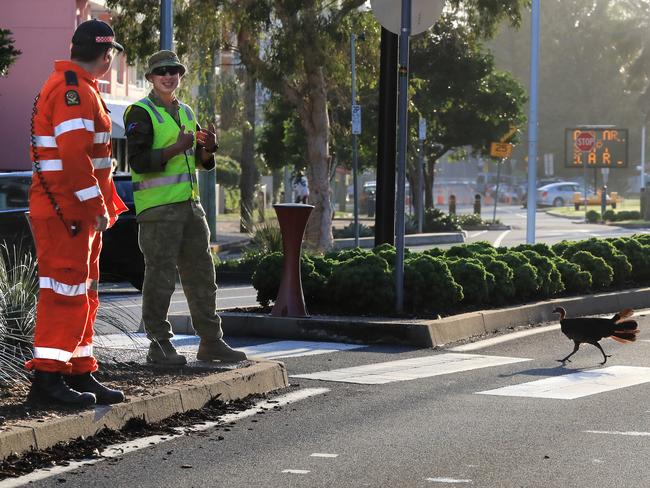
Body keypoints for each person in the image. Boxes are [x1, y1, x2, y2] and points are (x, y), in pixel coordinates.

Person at [27, 19, 128, 406]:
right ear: (107, 56)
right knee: (65, 293)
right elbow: (74, 157)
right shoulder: (74, 91)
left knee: (81, 292)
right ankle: (48, 381)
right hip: (66, 212)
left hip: (70, 213)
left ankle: (79, 371)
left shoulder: (75, 87)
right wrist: (97, 205)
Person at [123, 50, 247, 366]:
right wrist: (176, 147)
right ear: (150, 77)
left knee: (202, 275)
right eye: (161, 71)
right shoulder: (140, 112)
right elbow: (136, 162)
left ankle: (211, 342)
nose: (168, 75)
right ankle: (159, 345)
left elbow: (201, 164)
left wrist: (208, 149)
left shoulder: (187, 111)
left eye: (174, 70)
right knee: (161, 277)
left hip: (191, 208)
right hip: (158, 210)